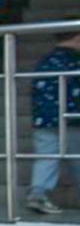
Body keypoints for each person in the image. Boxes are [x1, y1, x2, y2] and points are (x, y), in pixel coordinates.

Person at [26, 31, 80, 215]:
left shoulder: (46, 61)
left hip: (43, 118)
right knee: (77, 157)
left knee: (46, 156)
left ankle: (38, 194)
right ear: (77, 38)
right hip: (71, 118)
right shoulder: (74, 61)